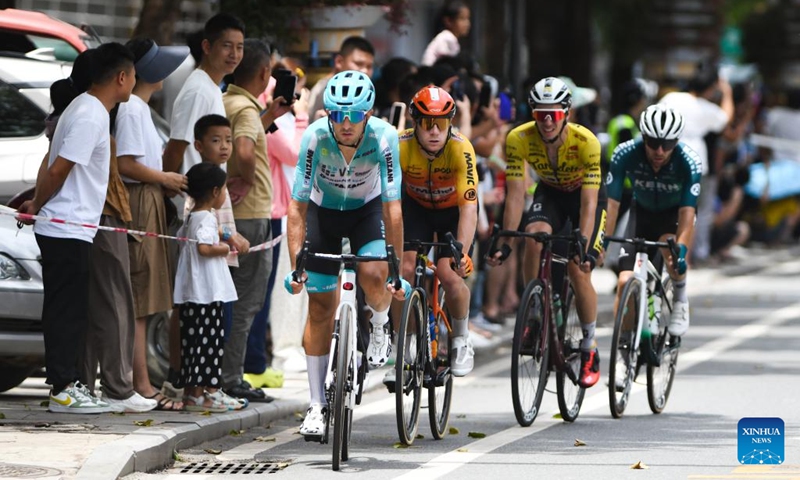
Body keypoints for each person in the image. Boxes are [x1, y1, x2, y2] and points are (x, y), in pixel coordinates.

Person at [284, 70, 406, 437]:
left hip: (366, 212)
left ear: (368, 114)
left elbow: (392, 208)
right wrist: (296, 268)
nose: (345, 123)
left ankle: (381, 323)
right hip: (324, 213)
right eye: (337, 114)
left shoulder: (384, 137)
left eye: (354, 115)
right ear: (328, 115)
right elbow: (297, 208)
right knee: (320, 305)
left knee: (373, 273)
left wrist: (395, 269)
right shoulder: (315, 137)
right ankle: (317, 405)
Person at [17, 42, 136, 413]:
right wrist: (38, 204)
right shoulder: (91, 115)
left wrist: (38, 200)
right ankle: (63, 389)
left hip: (70, 226)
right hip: (66, 227)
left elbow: (49, 161)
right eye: (133, 74)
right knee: (66, 311)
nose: (134, 80)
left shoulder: (83, 109)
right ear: (120, 78)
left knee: (69, 309)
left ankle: (69, 385)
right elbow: (57, 169)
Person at [488, 77, 606, 389]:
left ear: (567, 113)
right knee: (533, 234)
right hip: (551, 193)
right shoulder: (518, 139)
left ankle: (590, 346)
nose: (548, 121)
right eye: (541, 114)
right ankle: (536, 309)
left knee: (578, 268)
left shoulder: (586, 142)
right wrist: (507, 240)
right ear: (532, 114)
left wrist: (585, 241)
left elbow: (590, 203)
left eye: (554, 113)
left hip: (585, 197)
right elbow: (515, 197)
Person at [160, 12, 247, 398]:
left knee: (206, 301)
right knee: (192, 302)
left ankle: (199, 384)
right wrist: (174, 196)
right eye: (226, 45)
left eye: (240, 47)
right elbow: (177, 147)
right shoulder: (197, 89)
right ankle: (184, 381)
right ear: (207, 47)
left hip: (211, 201)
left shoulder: (212, 87)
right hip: (196, 205)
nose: (233, 54)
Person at [116, 37, 190, 411]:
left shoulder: (140, 109)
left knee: (145, 300)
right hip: (140, 202)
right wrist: (164, 178)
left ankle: (140, 382)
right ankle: (139, 385)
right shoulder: (130, 110)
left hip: (149, 200)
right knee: (140, 300)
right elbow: (125, 164)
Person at [221, 38, 291, 402]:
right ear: (264, 73)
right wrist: (246, 178)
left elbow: (245, 137)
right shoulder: (245, 110)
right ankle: (231, 378)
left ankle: (225, 373)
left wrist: (269, 118)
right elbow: (245, 149)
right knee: (248, 300)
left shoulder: (232, 102)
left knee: (232, 298)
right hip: (251, 217)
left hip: (240, 216)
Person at [393, 85, 478, 381]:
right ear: (414, 122)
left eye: (441, 124)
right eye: (427, 123)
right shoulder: (400, 144)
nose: (434, 131)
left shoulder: (460, 147)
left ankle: (461, 339)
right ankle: (404, 347)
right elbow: (388, 199)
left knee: (448, 272)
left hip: (452, 214)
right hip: (416, 209)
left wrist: (461, 253)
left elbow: (469, 208)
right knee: (401, 271)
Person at [605, 105, 701, 337]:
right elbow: (612, 205)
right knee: (623, 281)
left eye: (667, 144)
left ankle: (679, 299)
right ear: (643, 137)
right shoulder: (624, 153)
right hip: (641, 214)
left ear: (676, 141)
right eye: (653, 142)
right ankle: (625, 347)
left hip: (672, 216)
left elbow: (688, 213)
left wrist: (682, 250)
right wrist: (602, 244)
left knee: (672, 255)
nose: (659, 151)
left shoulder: (689, 161)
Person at [174, 162, 243, 412]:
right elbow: (204, 248)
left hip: (194, 292)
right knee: (209, 344)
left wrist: (225, 236)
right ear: (215, 192)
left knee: (193, 344)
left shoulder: (193, 217)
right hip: (207, 292)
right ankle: (205, 394)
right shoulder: (206, 218)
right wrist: (226, 248)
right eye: (224, 188)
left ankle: (193, 394)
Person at [660, 66, 733, 264]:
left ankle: (666, 255)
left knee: (669, 209)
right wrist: (727, 92)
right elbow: (726, 118)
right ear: (710, 89)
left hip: (666, 158)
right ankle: (692, 256)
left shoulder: (672, 98)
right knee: (695, 211)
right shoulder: (704, 107)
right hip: (696, 164)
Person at [306, 36, 375, 120]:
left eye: (369, 66)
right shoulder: (325, 90)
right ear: (339, 62)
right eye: (358, 64)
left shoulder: (366, 91)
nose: (365, 71)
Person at [421, 0, 471, 67]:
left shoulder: (449, 38)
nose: (467, 24)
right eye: (462, 19)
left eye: (468, 19)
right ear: (448, 21)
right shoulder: (447, 38)